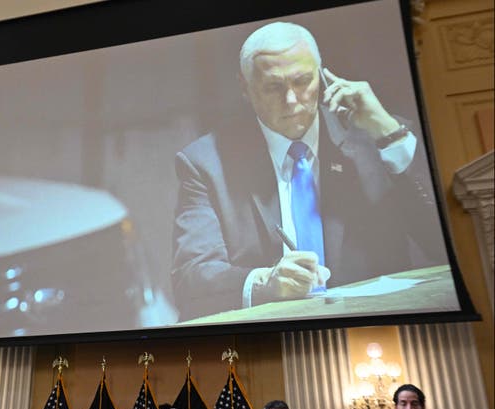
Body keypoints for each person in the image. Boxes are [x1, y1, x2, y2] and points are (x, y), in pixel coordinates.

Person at [171, 21, 443, 320]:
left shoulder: (378, 138)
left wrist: (390, 134)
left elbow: (439, 242)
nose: (291, 100)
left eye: (302, 81)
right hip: (274, 335)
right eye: (274, 86)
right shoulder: (205, 162)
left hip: (380, 325)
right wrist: (266, 282)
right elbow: (191, 276)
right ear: (245, 88)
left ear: (322, 76)